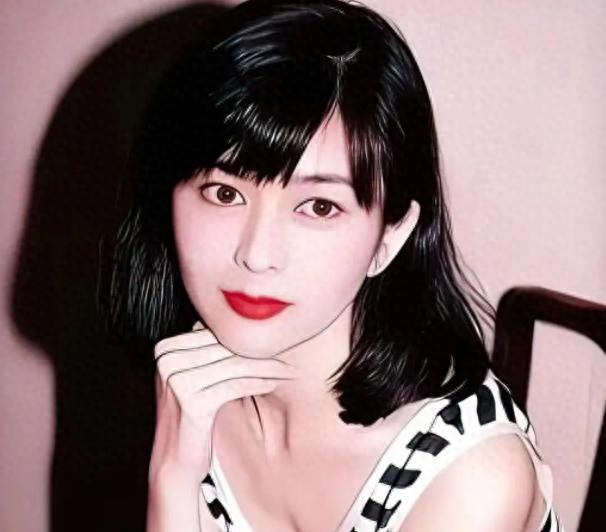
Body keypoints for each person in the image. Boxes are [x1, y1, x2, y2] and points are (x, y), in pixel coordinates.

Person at [102, 1, 563, 530]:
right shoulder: (187, 387)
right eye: (224, 192)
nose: (256, 254)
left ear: (390, 236)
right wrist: (173, 476)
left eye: (319, 207)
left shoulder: (469, 475)